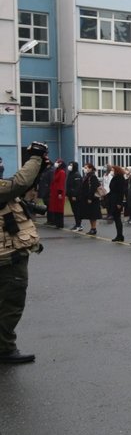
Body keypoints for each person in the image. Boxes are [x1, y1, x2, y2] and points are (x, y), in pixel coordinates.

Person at [0, 142, 48, 364]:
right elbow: (17, 183)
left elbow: (18, 188)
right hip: (8, 257)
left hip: (9, 253)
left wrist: (37, 172)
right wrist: (36, 158)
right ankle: (5, 348)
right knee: (11, 302)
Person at [78, 163, 102, 235]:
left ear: (90, 168)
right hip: (87, 198)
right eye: (84, 167)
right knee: (90, 214)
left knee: (93, 215)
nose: (85, 169)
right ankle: (92, 228)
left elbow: (93, 188)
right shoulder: (87, 176)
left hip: (92, 199)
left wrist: (90, 198)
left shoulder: (92, 177)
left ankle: (94, 229)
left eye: (86, 167)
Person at [107, 165, 127, 242]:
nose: (111, 171)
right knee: (116, 218)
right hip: (113, 199)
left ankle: (120, 235)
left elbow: (121, 192)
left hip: (117, 201)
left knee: (117, 218)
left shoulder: (120, 178)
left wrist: (119, 203)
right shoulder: (115, 177)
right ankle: (119, 235)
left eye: (113, 170)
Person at [47, 159, 66, 229]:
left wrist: (60, 193)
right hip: (55, 192)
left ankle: (60, 224)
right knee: (55, 208)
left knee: (59, 209)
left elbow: (61, 183)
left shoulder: (62, 172)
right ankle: (57, 223)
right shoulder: (57, 171)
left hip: (58, 192)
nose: (56, 163)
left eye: (58, 162)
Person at [66, 161, 83, 231]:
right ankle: (77, 224)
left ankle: (79, 225)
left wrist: (74, 195)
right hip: (71, 195)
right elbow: (69, 185)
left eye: (71, 165)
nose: (69, 166)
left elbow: (77, 186)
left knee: (77, 210)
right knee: (74, 210)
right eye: (69, 165)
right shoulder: (70, 174)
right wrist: (67, 194)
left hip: (76, 196)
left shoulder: (77, 175)